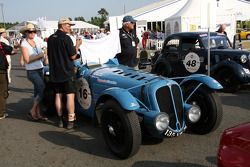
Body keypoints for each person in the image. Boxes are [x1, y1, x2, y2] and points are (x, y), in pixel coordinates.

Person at [47, 17, 82, 129]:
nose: (69, 27)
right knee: (70, 95)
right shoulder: (66, 38)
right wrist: (77, 46)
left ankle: (60, 120)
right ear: (62, 25)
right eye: (68, 25)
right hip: (66, 71)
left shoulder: (51, 38)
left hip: (55, 72)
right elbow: (73, 56)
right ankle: (71, 121)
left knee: (58, 95)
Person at [20, 23, 48, 121]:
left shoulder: (37, 40)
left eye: (34, 31)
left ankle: (37, 113)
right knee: (42, 88)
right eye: (30, 31)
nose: (32, 33)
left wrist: (45, 56)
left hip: (40, 68)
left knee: (37, 92)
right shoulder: (24, 43)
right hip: (32, 71)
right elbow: (27, 60)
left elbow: (45, 49)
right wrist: (39, 56)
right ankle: (32, 110)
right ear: (26, 33)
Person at [0, 40, 16, 119]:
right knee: (3, 91)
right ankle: (1, 113)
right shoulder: (1, 44)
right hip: (1, 71)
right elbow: (11, 50)